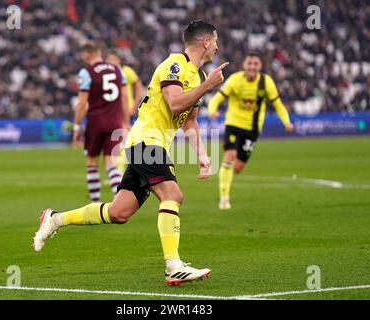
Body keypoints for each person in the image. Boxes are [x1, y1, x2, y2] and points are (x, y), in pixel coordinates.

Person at [33, 20, 228, 286]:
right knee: (173, 195)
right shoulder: (174, 65)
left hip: (153, 143)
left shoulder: (200, 76)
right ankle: (173, 266)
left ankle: (55, 219)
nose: (217, 45)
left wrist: (202, 155)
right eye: (215, 40)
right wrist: (208, 87)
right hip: (146, 140)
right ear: (205, 42)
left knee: (119, 212)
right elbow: (173, 105)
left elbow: (190, 120)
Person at [208, 52, 294, 210]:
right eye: (249, 63)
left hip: (253, 129)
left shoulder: (266, 82)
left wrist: (287, 122)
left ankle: (226, 177)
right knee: (230, 156)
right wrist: (212, 110)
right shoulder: (235, 79)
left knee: (238, 167)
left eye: (255, 64)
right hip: (233, 123)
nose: (252, 67)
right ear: (244, 65)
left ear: (260, 66)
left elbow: (278, 104)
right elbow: (217, 98)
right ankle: (224, 198)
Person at [72, 41, 130, 202]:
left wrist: (77, 126)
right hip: (114, 122)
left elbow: (82, 103)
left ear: (86, 54)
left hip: (95, 123)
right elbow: (124, 98)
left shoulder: (86, 73)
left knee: (92, 162)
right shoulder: (118, 70)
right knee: (111, 161)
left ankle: (95, 202)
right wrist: (126, 122)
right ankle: (118, 199)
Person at [106, 49, 145, 173]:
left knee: (126, 140)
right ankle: (119, 172)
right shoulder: (106, 74)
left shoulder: (126, 71)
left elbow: (138, 87)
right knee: (115, 142)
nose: (111, 62)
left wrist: (134, 104)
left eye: (113, 59)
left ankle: (123, 172)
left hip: (125, 111)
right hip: (111, 112)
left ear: (119, 60)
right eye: (109, 59)